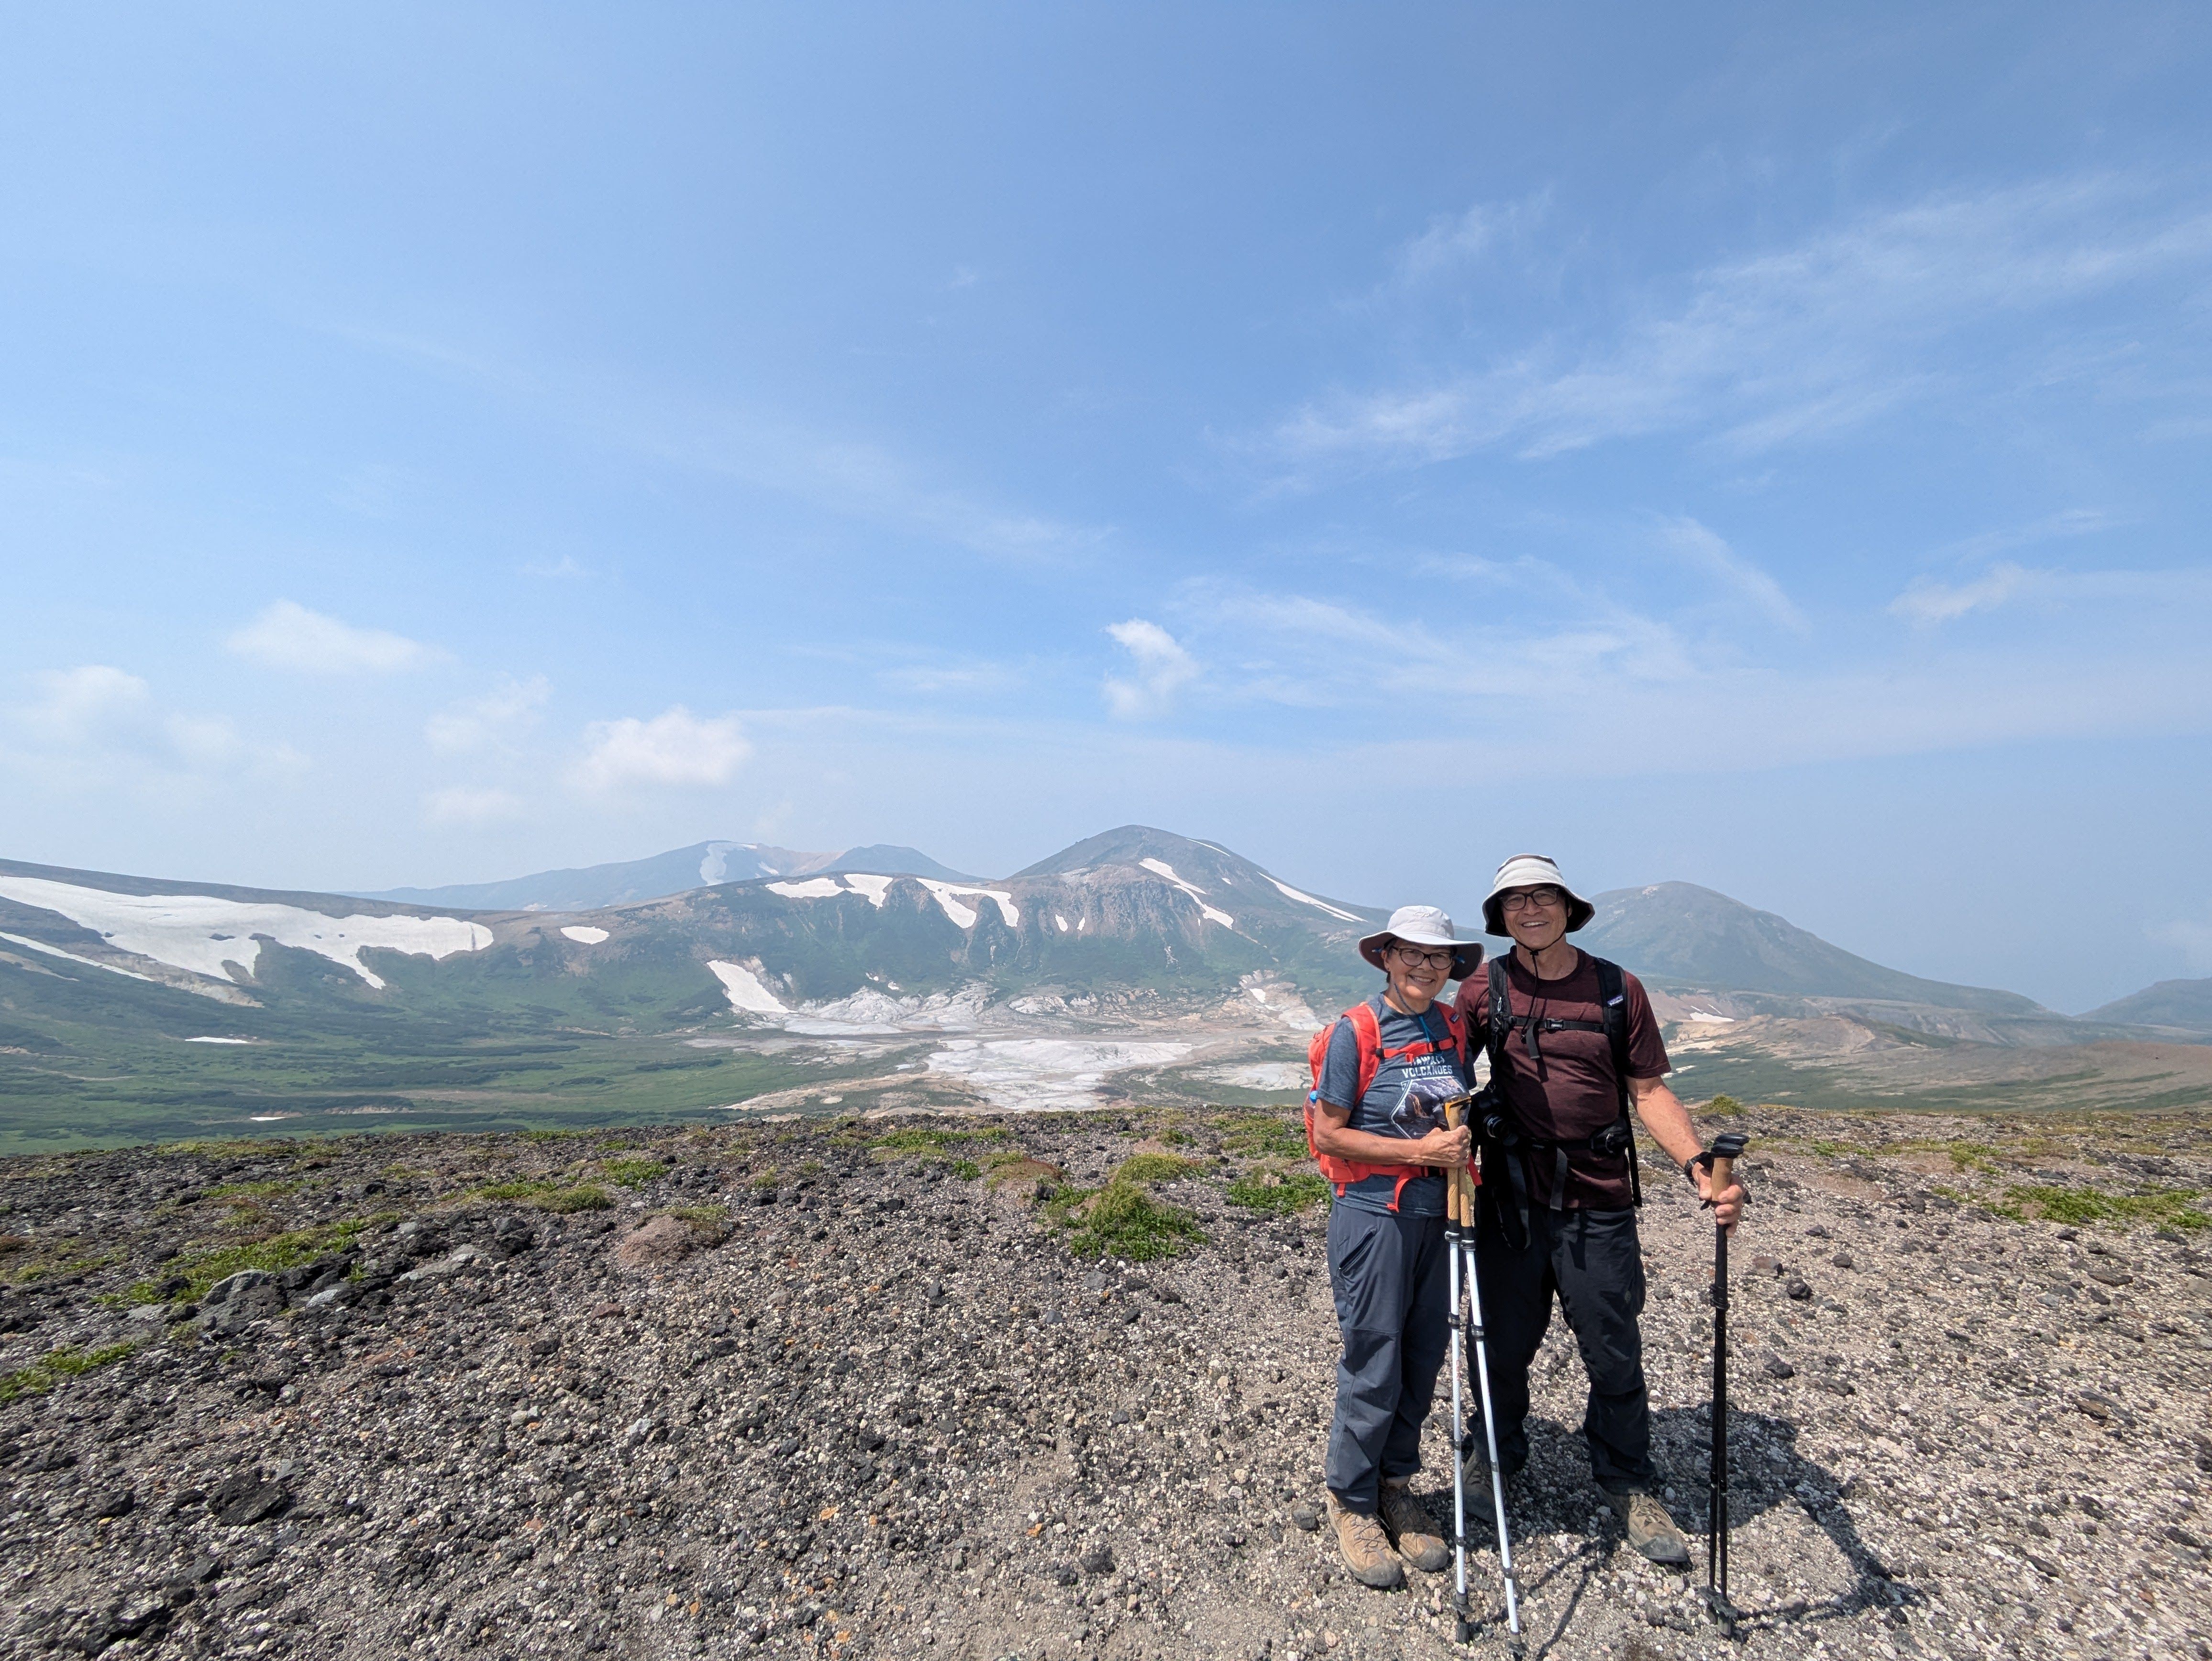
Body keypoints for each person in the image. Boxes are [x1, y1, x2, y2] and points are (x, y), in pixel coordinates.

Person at [1454, 854, 1746, 1568]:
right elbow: (1443, 1073)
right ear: (1501, 917)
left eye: (1543, 897)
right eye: (1516, 900)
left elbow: (1647, 1091)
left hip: (1599, 1198)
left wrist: (1697, 1164)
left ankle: (1626, 1480)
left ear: (1567, 906)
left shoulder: (1617, 989)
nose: (1530, 909)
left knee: (1613, 1346)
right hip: (1511, 1200)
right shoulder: (1481, 988)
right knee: (1496, 1343)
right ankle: (1493, 1457)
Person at [1304, 904, 1483, 1590]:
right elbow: (1329, 1135)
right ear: (1386, 957)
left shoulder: (1453, 1027)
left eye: (1439, 958)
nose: (1426, 967)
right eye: (1411, 954)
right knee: (1374, 1358)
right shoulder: (1357, 1033)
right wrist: (1422, 1150)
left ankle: (1396, 1482)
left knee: (1421, 1355)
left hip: (1440, 1217)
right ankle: (1351, 1498)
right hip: (1374, 1216)